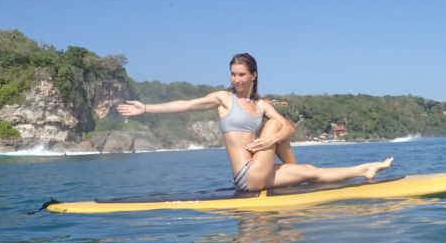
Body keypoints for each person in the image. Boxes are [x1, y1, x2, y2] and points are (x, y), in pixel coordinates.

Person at [117, 53, 393, 193]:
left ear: (253, 76)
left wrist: (271, 141)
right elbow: (185, 105)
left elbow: (289, 129)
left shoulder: (261, 104)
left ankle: (365, 169)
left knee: (309, 169)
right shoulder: (224, 99)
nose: (236, 79)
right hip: (246, 175)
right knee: (274, 125)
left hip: (262, 167)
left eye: (241, 74)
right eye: (233, 74)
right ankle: (290, 171)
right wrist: (146, 108)